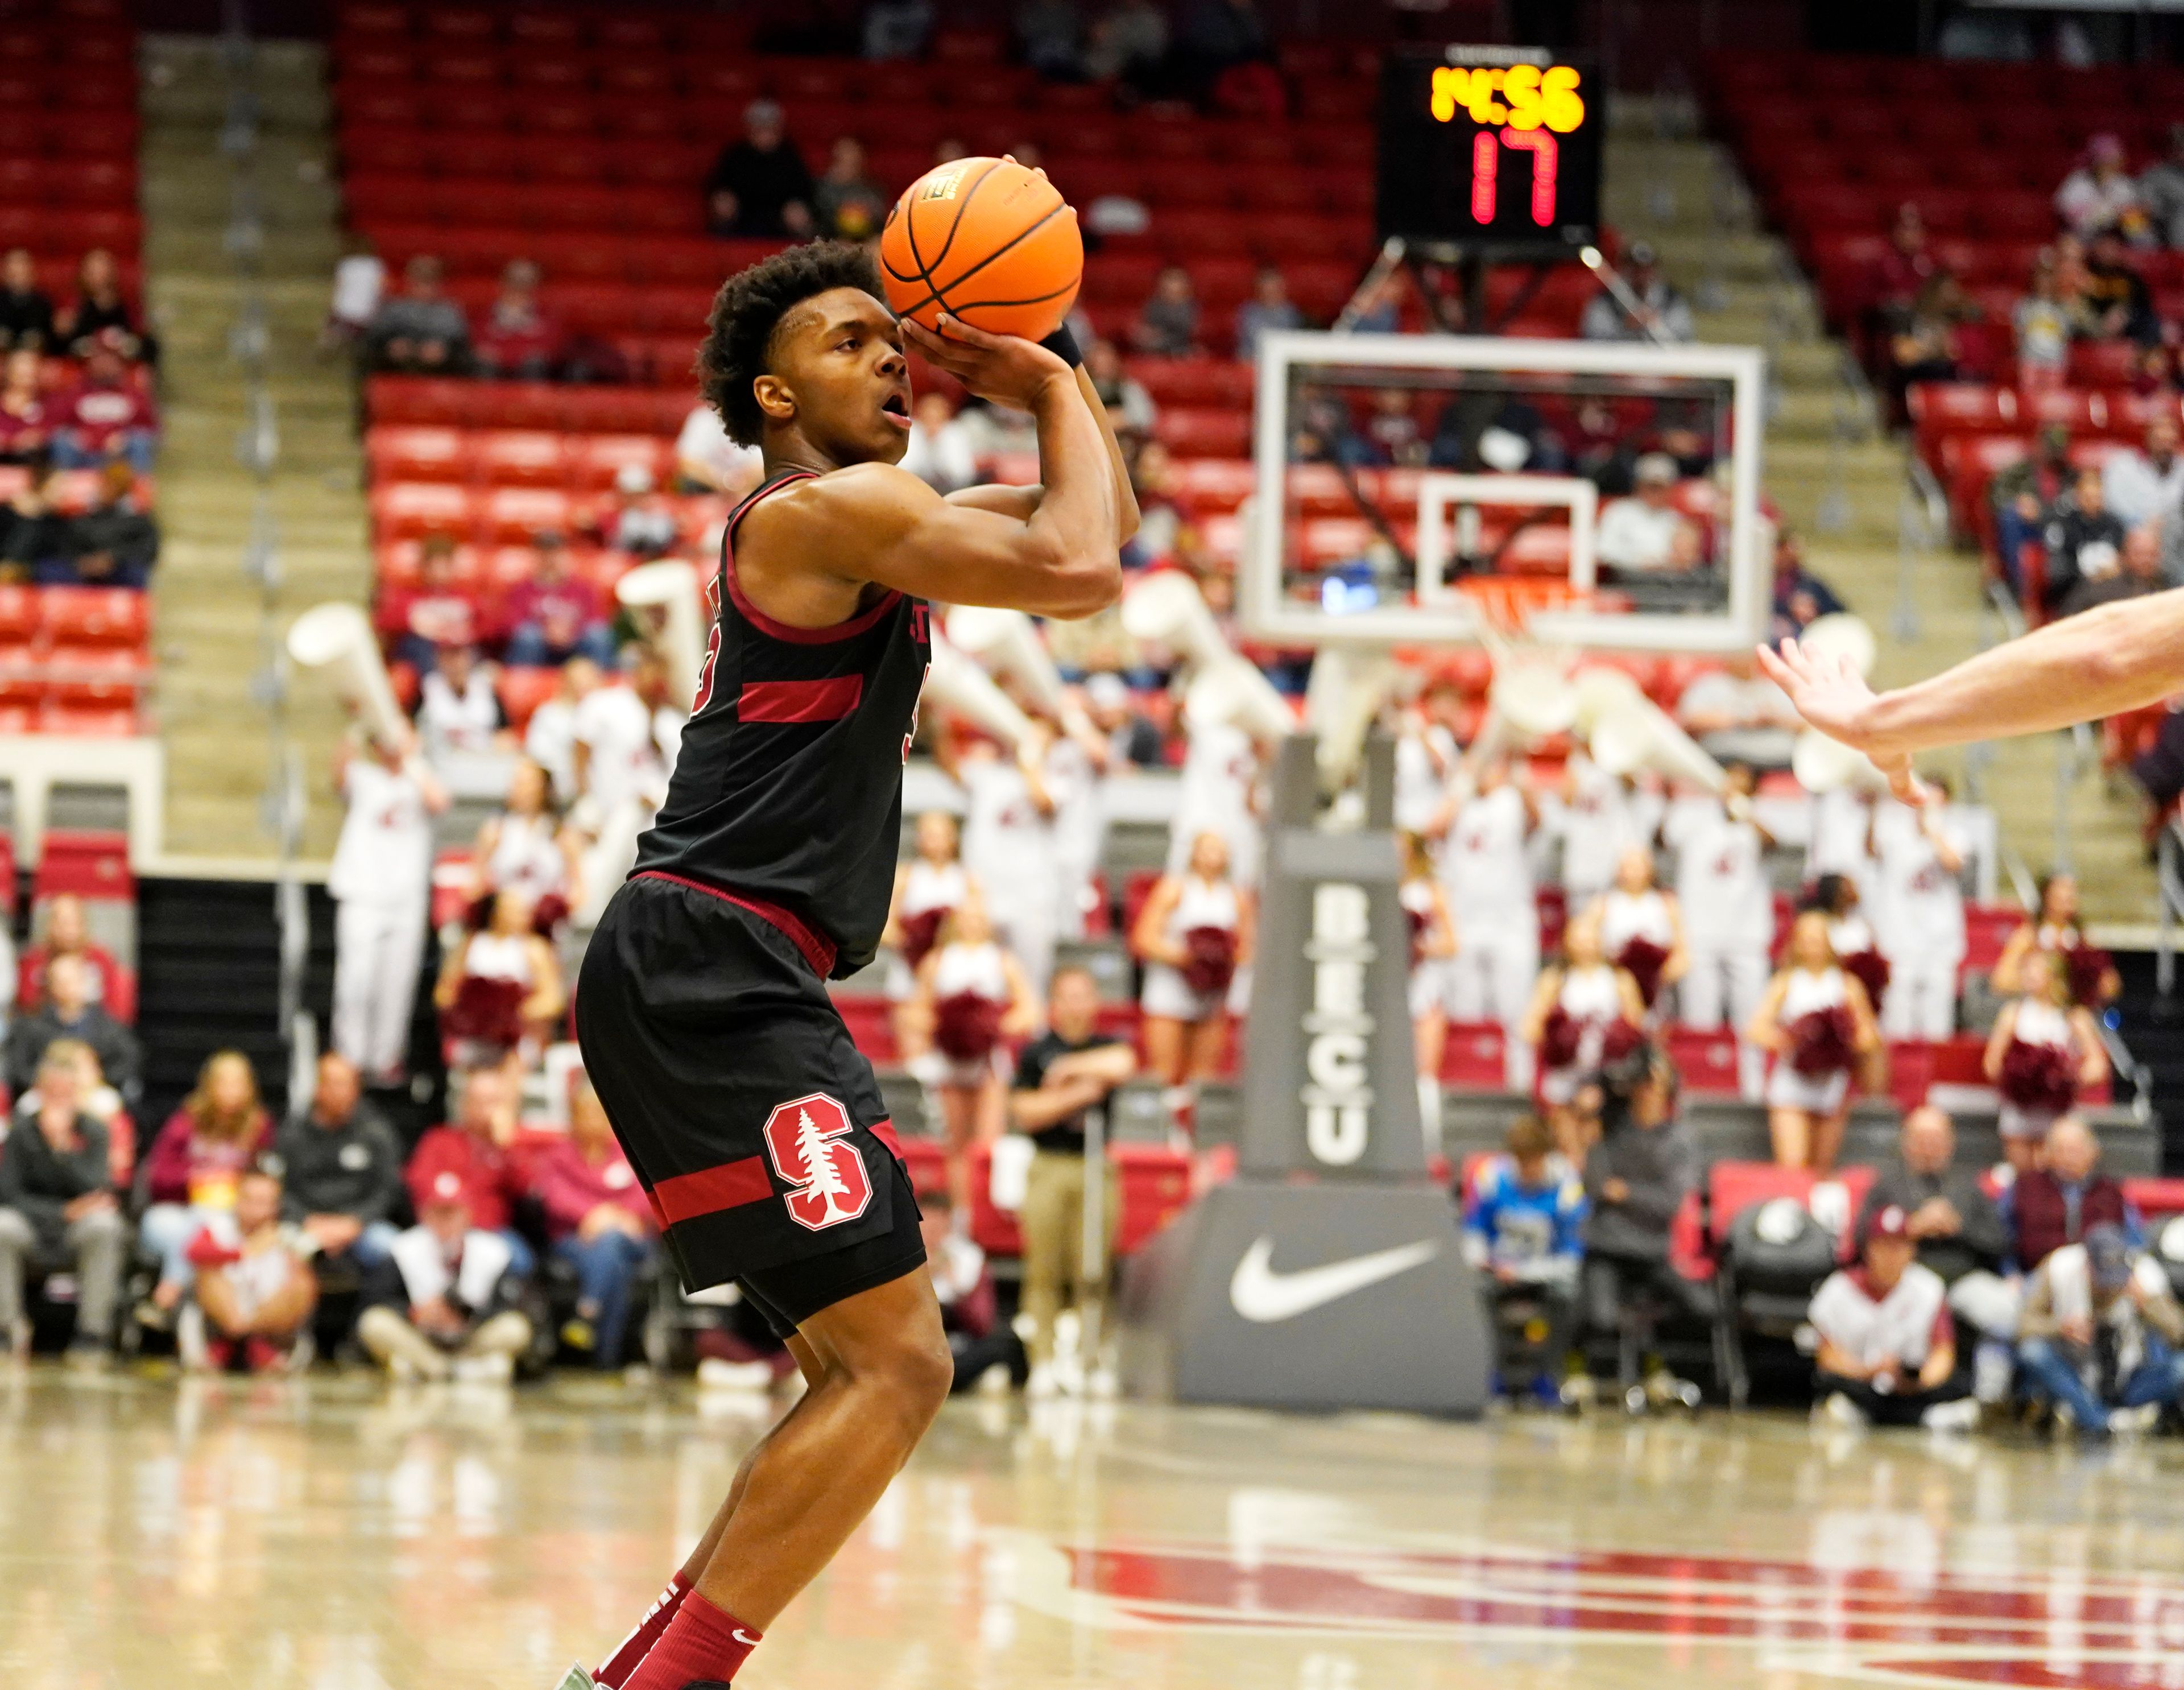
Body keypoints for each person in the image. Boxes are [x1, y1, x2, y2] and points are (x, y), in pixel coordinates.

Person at [570, 238, 1132, 1690]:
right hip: (714, 959)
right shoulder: (831, 509)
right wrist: (1051, 373)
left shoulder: (873, 516)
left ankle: (636, 1678)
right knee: (901, 1363)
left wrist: (1046, 389)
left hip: (719, 962)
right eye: (851, 342)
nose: (890, 359)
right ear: (771, 394)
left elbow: (1092, 527)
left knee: (855, 1363)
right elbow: (1074, 569)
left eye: (899, 341)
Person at [1008, 964, 1134, 1396]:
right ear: (1054, 1004)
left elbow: (1123, 1063)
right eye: (1068, 996)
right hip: (1048, 1163)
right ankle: (1042, 1361)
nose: (1077, 1005)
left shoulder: (1107, 1044)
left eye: (1085, 995)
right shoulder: (1035, 1051)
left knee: (1094, 1267)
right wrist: (1078, 1093)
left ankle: (1092, 1359)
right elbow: (1026, 1112)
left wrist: (1068, 1068)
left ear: (1096, 1001)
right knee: (1043, 1268)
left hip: (1095, 1163)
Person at [1858, 1105, 2018, 1402]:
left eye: (1937, 1140)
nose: (1929, 1148)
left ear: (1950, 1144)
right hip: (1906, 1282)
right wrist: (1912, 1227)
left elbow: (2000, 1241)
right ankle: (1886, 1392)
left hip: (1962, 1280)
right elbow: (1861, 1241)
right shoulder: (1887, 1185)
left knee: (2006, 1313)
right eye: (1922, 1139)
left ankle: (1991, 1400)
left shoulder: (1967, 1187)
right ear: (1906, 1143)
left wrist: (1959, 1228)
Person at [1577, 1042, 1706, 1389]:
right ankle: (1592, 1377)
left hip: (1652, 1250)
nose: (1646, 1090)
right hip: (1605, 1246)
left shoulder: (1679, 1139)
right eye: (1643, 1082)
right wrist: (1617, 1077)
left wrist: (1627, 1193)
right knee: (1599, 1317)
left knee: (1701, 1308)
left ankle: (1658, 1371)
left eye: (1654, 1082)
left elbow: (1669, 1203)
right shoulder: (1611, 1126)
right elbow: (1595, 1186)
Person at [329, 725, 446, 1086]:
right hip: (363, 892)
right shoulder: (365, 778)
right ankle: (349, 1055)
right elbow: (339, 775)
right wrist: (357, 725)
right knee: (355, 980)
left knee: (397, 983)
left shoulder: (420, 776)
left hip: (405, 897)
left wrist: (412, 755)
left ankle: (386, 1058)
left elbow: (438, 801)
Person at [909, 902, 1040, 1216]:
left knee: (987, 1144)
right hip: (949, 1061)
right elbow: (916, 1010)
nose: (971, 924)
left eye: (978, 917)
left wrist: (991, 1028)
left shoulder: (1002, 961)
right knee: (955, 1142)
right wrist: (946, 1027)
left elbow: (1030, 1010)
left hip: (988, 1064)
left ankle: (983, 1214)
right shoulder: (937, 962)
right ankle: (961, 1213)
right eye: (965, 918)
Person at [0, 1044, 124, 1362]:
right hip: (33, 1228)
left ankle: (92, 1335)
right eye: (51, 1093)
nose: (58, 1101)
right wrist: (62, 1212)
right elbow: (9, 1194)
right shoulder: (22, 1131)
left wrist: (63, 1150)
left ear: (78, 1094)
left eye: (66, 1094)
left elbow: (98, 1190)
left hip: (77, 1233)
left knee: (105, 1226)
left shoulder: (94, 1130)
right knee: (2, 1225)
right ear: (39, 1092)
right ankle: (7, 1329)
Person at [136, 1050, 275, 1330]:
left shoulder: (258, 1127)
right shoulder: (184, 1123)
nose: (231, 1092)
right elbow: (157, 1176)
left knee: (214, 1227)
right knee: (201, 1226)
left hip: (232, 1220)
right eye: (224, 1083)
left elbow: (267, 1180)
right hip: (177, 1214)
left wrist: (236, 1183)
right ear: (209, 1086)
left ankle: (168, 1295)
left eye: (238, 1084)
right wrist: (198, 1179)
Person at [1807, 1202, 1977, 1431]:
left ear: (1912, 1250)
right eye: (1884, 1246)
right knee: (1830, 1385)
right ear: (1868, 1249)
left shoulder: (1929, 1289)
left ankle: (1920, 1416)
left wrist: (1917, 1382)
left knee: (1960, 1387)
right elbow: (1827, 1355)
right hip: (1860, 1383)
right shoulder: (1838, 1290)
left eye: (1900, 1246)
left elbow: (1943, 1352)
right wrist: (1866, 1371)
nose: (1892, 1255)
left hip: (1910, 1388)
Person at [1461, 1113, 1586, 1404]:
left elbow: (1571, 1257)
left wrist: (1523, 1271)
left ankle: (1547, 1376)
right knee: (1474, 1290)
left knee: (1569, 1294)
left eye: (1534, 1160)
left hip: (1545, 1273)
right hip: (1498, 1272)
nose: (1527, 1168)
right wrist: (1482, 1260)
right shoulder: (1492, 1178)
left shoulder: (1567, 1187)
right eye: (1521, 1160)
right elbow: (1474, 1232)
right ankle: (1491, 1374)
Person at [2016, 1222, 2184, 1438]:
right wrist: (2061, 1327)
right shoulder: (2060, 1267)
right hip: (2077, 1379)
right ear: (2087, 1264)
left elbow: (2179, 1333)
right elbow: (2021, 1326)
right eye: (2104, 1278)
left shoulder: (2145, 1275)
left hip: (2131, 1380)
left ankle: (2109, 1420)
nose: (2110, 1287)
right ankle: (2100, 1423)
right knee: (2033, 1352)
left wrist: (2149, 1305)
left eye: (2116, 1278)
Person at [358, 1179, 535, 1384]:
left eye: (452, 1213)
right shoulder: (403, 1250)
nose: (445, 1221)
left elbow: (505, 1306)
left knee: (515, 1328)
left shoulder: (492, 1252)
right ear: (424, 1215)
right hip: (420, 1338)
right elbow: (376, 1300)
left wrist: (466, 1315)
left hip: (470, 1339)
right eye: (438, 1212)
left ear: (467, 1215)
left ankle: (433, 1368)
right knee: (374, 1323)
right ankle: (439, 1369)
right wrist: (415, 1313)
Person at [1666, 763, 1773, 1097]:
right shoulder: (1696, 819)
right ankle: (1701, 1083)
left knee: (1752, 1019)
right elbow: (1663, 836)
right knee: (1701, 1018)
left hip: (1748, 937)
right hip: (1700, 934)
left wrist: (1745, 813)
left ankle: (1754, 1086)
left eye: (1743, 787)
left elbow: (1773, 843)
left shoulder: (1757, 825)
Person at [535, 1080, 657, 1370]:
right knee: (613, 1259)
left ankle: (587, 1312)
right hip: (576, 1241)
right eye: (584, 1113)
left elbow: (646, 1194)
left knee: (613, 1241)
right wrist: (592, 1216)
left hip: (631, 1238)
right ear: (572, 1117)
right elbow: (554, 1197)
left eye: (597, 1113)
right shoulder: (558, 1157)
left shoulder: (628, 1152)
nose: (591, 1120)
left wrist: (614, 1217)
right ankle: (607, 1359)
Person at [1748, 910, 1880, 1171]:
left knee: (1822, 1170)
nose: (1812, 946)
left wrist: (1840, 1039)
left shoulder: (1847, 985)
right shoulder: (1785, 982)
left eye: (1818, 939)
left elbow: (1869, 1037)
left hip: (1832, 1083)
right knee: (1793, 1168)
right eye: (1806, 939)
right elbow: (1755, 1029)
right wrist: (1792, 1040)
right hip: (1792, 1082)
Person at [1437, 759, 1541, 1089]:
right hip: (1464, 921)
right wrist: (1461, 784)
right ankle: (1469, 1077)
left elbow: (1536, 821)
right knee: (1465, 1007)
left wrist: (1519, 781)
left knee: (1516, 1007)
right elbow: (1432, 829)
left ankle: (1519, 1083)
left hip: (1510, 922)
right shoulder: (1456, 801)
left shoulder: (1511, 800)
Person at [1133, 829, 1252, 1094]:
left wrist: (1220, 959)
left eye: (1220, 850)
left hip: (1212, 993)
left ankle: (1196, 1132)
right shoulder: (1175, 889)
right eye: (1208, 849)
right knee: (1163, 1075)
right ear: (1194, 854)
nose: (1214, 857)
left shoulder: (1235, 896)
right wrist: (1187, 957)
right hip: (1171, 990)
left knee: (1202, 1080)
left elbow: (1247, 947)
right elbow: (1144, 938)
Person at [1520, 911, 1644, 1160]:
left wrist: (1612, 1038)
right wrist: (1561, 1036)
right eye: (1578, 937)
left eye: (1591, 937)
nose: (1585, 944)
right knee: (1567, 1141)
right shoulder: (1556, 979)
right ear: (1567, 941)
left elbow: (1638, 1031)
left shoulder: (1620, 980)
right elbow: (1529, 1028)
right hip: (1566, 1073)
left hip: (1607, 1075)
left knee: (1596, 1137)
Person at [271, 1051, 404, 1276]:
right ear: (317, 1088)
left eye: (346, 1085)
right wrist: (305, 1219)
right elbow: (277, 1188)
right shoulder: (291, 1135)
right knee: (273, 1252)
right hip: (304, 1223)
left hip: (361, 1226)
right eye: (332, 1084)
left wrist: (356, 1221)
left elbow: (388, 1189)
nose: (339, 1093)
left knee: (393, 1251)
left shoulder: (376, 1133)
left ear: (357, 1089)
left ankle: (375, 1309)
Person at [179, 1165, 317, 1374]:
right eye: (248, 1199)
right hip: (222, 1315)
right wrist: (243, 1252)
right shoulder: (218, 1227)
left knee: (301, 1282)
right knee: (209, 1272)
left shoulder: (287, 1235)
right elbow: (193, 1252)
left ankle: (252, 1341)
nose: (254, 1209)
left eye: (262, 1202)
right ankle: (238, 1339)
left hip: (267, 1317)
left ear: (275, 1206)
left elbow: (313, 1263)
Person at [1985, 949, 2108, 1174]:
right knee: (2023, 1175)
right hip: (2021, 1108)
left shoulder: (2074, 1016)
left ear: (2055, 975)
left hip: (2057, 1110)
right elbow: (1992, 1063)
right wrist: (2018, 1079)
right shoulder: (2014, 1012)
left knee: (2055, 1173)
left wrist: (2067, 1080)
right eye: (2026, 969)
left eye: (2036, 969)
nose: (2028, 975)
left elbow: (2097, 1065)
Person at [1869, 784, 1967, 1040]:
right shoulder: (1894, 831)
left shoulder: (1955, 834)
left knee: (1937, 1027)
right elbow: (1870, 850)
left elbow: (1953, 862)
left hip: (1939, 945)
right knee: (1897, 1025)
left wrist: (1933, 832)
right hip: (1900, 941)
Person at [2005, 1115, 2136, 1274]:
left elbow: (2134, 1240)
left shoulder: (2110, 1192)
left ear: (2094, 1152)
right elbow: (2000, 1239)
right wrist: (2010, 1273)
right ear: (2046, 1154)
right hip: (2037, 1276)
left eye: (2075, 1150)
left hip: (2099, 1278)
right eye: (2060, 1150)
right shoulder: (2025, 1187)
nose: (2068, 1158)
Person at [5, 953, 138, 1103]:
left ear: (85, 981)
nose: (67, 987)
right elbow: (18, 1067)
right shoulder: (29, 1027)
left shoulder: (109, 1027)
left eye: (72, 980)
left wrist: (97, 1079)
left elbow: (127, 1062)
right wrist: (49, 1082)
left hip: (93, 1093)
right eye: (60, 981)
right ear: (50, 984)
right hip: (45, 1096)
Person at [1400, 832, 1458, 1141]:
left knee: (1425, 1073)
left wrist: (1418, 947)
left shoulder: (1431, 891)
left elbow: (1452, 944)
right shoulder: (1376, 889)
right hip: (1386, 987)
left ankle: (1428, 1142)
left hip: (1423, 985)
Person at [1992, 872, 2118, 1009]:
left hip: (2073, 1012)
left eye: (2072, 892)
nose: (2069, 895)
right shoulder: (2029, 936)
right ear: (2047, 897)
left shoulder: (2083, 940)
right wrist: (2038, 981)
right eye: (2062, 891)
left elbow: (2110, 985)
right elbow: (2001, 981)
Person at [1590, 844, 1685, 1015]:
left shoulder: (1666, 904)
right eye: (1627, 867)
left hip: (1658, 987)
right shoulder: (1603, 904)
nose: (1633, 873)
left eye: (1638, 867)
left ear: (1650, 870)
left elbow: (1683, 954)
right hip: (1615, 985)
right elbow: (1584, 942)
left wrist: (1655, 979)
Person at [705, 100, 816, 239]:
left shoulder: (790, 156)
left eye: (769, 128)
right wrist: (723, 199)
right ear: (749, 130)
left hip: (780, 223)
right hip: (741, 220)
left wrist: (797, 207)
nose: (764, 134)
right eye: (759, 129)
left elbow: (805, 191)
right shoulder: (734, 155)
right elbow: (716, 186)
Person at [503, 533, 617, 668]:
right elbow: (511, 624)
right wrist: (546, 630)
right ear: (536, 557)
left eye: (555, 554)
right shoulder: (522, 589)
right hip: (539, 647)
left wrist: (571, 631)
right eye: (545, 554)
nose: (550, 560)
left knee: (598, 636)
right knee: (528, 637)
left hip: (577, 645)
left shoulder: (584, 587)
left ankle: (599, 685)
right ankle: (522, 685)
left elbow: (598, 619)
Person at [1676, 651, 1801, 770]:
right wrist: (1739, 719)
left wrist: (1773, 719)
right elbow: (1689, 722)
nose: (1744, 659)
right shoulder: (1708, 685)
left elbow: (1804, 726)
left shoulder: (1774, 688)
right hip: (1726, 754)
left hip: (1778, 755)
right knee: (1737, 768)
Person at [51, 345, 157, 474]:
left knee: (139, 441)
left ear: (120, 364)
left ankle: (139, 486)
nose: (105, 365)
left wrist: (125, 437)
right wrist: (77, 435)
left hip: (119, 456)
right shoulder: (75, 392)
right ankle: (64, 485)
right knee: (62, 440)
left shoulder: (134, 394)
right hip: (83, 453)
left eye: (111, 359)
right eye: (100, 359)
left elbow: (151, 429)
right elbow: (56, 422)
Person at [17, 892, 126, 1017]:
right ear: (49, 926)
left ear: (83, 925)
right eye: (60, 922)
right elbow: (25, 1006)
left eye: (71, 923)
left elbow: (114, 1010)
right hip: (43, 1030)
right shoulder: (33, 960)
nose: (66, 930)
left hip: (93, 1030)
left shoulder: (101, 959)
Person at [2039, 465, 2128, 616]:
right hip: (2076, 592)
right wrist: (2088, 575)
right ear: (2078, 497)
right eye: (2088, 498)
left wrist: (2119, 568)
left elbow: (2126, 559)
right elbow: (2057, 572)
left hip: (2113, 590)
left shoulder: (2115, 525)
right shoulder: (2064, 527)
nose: (2093, 503)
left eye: (2097, 497)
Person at [365, 254, 470, 374]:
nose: (424, 289)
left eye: (429, 283)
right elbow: (374, 341)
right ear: (409, 281)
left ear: (440, 284)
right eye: (419, 282)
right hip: (395, 370)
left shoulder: (450, 312)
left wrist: (444, 351)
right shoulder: (393, 309)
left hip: (440, 373)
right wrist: (390, 346)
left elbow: (462, 349)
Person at [61, 457, 158, 586]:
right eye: (103, 483)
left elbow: (148, 549)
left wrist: (113, 558)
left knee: (136, 573)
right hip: (82, 568)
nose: (104, 489)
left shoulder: (138, 518)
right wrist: (83, 561)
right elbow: (68, 542)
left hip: (120, 569)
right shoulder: (83, 513)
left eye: (111, 485)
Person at [1804, 871, 1888, 1020]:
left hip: (1860, 991)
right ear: (1835, 893)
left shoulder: (1862, 926)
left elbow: (1876, 960)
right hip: (1826, 990)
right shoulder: (1819, 924)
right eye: (1848, 887)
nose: (1854, 890)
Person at [1595, 453, 1693, 575]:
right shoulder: (1618, 511)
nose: (1655, 493)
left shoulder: (1676, 519)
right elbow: (1602, 550)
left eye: (1660, 487)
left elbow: (1686, 560)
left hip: (1664, 585)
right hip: (1622, 580)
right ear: (1639, 485)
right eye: (1651, 486)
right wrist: (1637, 561)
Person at [1579, 240, 1693, 344]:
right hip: (1619, 363)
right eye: (1635, 268)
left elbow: (1684, 338)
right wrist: (1625, 329)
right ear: (1624, 268)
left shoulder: (1671, 300)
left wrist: (1656, 323)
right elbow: (1593, 339)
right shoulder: (1605, 301)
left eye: (1646, 269)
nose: (1641, 274)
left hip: (1659, 363)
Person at [415, 638, 508, 762]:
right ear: (438, 659)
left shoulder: (485, 687)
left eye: (459, 655)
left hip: (481, 758)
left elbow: (506, 733)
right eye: (448, 656)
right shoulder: (428, 689)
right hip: (440, 760)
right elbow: (413, 730)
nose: (455, 663)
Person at [471, 258, 562, 381]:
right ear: (503, 281)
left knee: (535, 364)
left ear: (537, 284)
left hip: (531, 371)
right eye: (514, 279)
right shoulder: (484, 315)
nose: (520, 286)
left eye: (527, 281)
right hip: (492, 369)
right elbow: (480, 346)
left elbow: (549, 350)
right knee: (484, 365)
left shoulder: (548, 316)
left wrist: (507, 354)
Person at [2055, 133, 2145, 242]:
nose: (2108, 166)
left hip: (2116, 238)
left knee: (2143, 237)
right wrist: (2108, 215)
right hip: (2084, 239)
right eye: (2104, 161)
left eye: (2112, 161)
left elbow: (2135, 223)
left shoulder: (2123, 184)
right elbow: (2074, 220)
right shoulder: (2077, 182)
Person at [674, 400, 766, 497]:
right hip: (707, 488)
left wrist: (739, 484)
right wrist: (721, 482)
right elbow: (687, 462)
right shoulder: (701, 418)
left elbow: (763, 465)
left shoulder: (756, 419)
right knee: (688, 483)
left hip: (747, 487)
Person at [899, 391, 980, 493]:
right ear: (920, 417)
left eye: (937, 419)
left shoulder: (955, 433)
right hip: (914, 488)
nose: (932, 424)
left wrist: (938, 443)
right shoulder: (911, 431)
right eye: (928, 418)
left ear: (945, 418)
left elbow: (963, 473)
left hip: (950, 490)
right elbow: (905, 468)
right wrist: (927, 441)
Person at [812, 137, 890, 242]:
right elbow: (814, 227)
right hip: (829, 245)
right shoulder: (817, 190)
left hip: (864, 246)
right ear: (833, 161)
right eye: (843, 160)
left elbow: (880, 226)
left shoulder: (873, 191)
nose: (847, 167)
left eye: (853, 162)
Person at [1232, 265, 1301, 362]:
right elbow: (1249, 346)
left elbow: (1295, 344)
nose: (1271, 294)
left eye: (1274, 290)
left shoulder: (1292, 313)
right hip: (1253, 363)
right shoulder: (1248, 313)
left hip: (1285, 362)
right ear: (1258, 290)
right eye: (1267, 290)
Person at [1131, 265, 1202, 359]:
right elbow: (1146, 332)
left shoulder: (1193, 307)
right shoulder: (1153, 306)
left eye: (1176, 280)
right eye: (1169, 279)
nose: (1172, 285)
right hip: (1154, 353)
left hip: (1184, 353)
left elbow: (1186, 334)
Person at [0, 346, 50, 462]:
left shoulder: (45, 403)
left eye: (30, 373)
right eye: (21, 373)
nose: (27, 377)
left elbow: (48, 431)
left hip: (31, 460)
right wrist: (10, 441)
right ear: (9, 373)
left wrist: (36, 437)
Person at [0, 246, 55, 352]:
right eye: (13, 273)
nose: (18, 269)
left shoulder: (43, 303)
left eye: (22, 265)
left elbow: (51, 340)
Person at [2140, 121, 2184, 249]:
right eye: (2180, 148)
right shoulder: (2155, 175)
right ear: (2171, 149)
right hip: (2164, 230)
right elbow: (2148, 208)